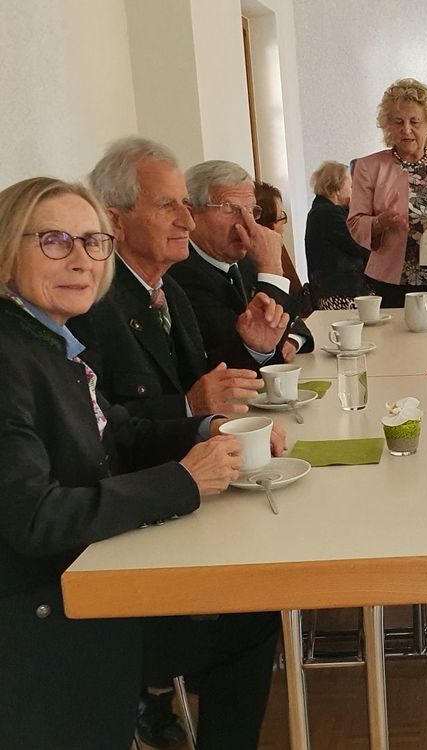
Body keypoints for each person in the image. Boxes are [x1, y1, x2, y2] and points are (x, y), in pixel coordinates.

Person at [0, 177, 281, 749]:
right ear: (6, 251)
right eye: (54, 241)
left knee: (250, 617)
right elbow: (35, 519)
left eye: (92, 242)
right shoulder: (11, 359)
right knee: (247, 620)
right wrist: (184, 480)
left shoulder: (46, 338)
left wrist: (207, 427)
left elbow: (119, 433)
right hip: (47, 612)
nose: (80, 260)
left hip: (92, 573)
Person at [68, 137, 272, 424]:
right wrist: (187, 407)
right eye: (166, 205)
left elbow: (203, 384)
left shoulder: (170, 291)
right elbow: (99, 425)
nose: (188, 221)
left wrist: (253, 348)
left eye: (185, 204)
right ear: (115, 221)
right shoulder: (90, 305)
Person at [348, 77, 427, 308]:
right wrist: (379, 222)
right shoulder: (368, 167)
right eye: (398, 122)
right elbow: (355, 222)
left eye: (414, 121)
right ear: (388, 126)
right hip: (389, 281)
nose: (406, 129)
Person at [168, 160, 314, 363]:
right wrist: (272, 267)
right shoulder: (182, 273)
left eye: (252, 210)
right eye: (229, 209)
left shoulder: (244, 261)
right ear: (192, 213)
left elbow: (293, 315)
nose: (247, 222)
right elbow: (243, 351)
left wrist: (294, 338)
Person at [306, 160, 371, 309]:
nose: (353, 191)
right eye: (351, 186)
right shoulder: (329, 214)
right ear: (336, 188)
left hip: (332, 292)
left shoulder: (320, 211)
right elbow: (360, 245)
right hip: (340, 295)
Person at [255, 179, 313, 317]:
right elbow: (285, 312)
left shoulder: (279, 251)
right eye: (281, 217)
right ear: (266, 224)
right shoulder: (258, 262)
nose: (283, 224)